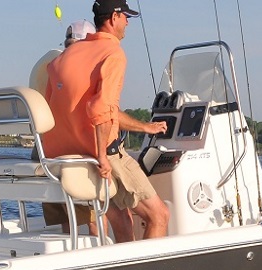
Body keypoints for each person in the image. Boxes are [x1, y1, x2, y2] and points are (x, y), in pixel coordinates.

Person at [42, 0, 169, 242]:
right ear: (113, 18)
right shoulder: (113, 53)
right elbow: (101, 108)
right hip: (102, 155)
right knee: (159, 215)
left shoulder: (63, 58)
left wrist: (144, 127)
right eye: (126, 17)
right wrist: (102, 156)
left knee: (122, 221)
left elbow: (62, 110)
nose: (128, 22)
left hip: (64, 156)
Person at [30, 19, 101, 236]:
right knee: (96, 208)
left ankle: (67, 244)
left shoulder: (49, 64)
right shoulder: (77, 69)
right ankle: (99, 246)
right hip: (68, 152)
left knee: (64, 212)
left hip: (40, 153)